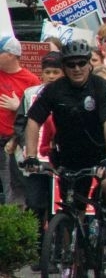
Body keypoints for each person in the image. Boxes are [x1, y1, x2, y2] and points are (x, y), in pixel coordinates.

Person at [23, 41, 106, 244]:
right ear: (64, 67)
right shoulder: (54, 89)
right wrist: (32, 156)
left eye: (81, 63)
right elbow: (34, 120)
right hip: (70, 156)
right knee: (71, 209)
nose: (77, 68)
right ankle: (72, 259)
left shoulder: (101, 86)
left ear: (89, 64)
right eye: (71, 64)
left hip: (102, 153)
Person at [6, 51, 62, 272]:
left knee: (57, 209)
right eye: (47, 72)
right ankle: (39, 253)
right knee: (36, 206)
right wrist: (23, 143)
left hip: (59, 163)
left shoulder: (70, 94)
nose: (51, 76)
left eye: (55, 72)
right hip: (35, 162)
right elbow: (21, 123)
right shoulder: (30, 94)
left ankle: (58, 254)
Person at [0, 34, 41, 203]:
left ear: (11, 55)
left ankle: (15, 227)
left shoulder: (30, 80)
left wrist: (18, 107)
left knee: (13, 188)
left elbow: (38, 113)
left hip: (13, 142)